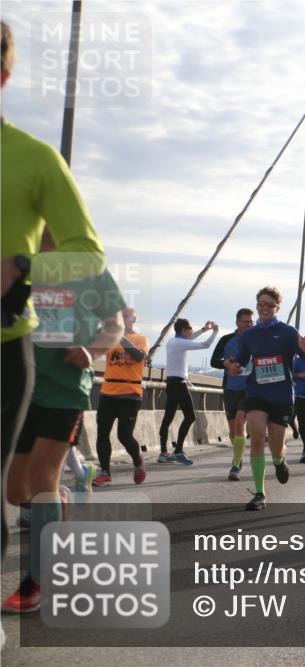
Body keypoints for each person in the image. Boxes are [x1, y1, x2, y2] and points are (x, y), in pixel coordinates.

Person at [0, 20, 108, 561]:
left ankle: (39, 571)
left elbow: (92, 258)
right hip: (32, 375)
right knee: (15, 488)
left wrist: (22, 269)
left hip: (39, 369)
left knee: (28, 481)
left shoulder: (35, 159)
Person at [3, 255, 125, 613]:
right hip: (19, 387)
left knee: (42, 476)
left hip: (65, 389)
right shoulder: (15, 260)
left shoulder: (90, 268)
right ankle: (58, 499)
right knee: (14, 491)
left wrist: (92, 351)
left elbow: (115, 324)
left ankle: (36, 581)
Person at [227, 286, 305, 511]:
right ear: (257, 306)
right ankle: (260, 493)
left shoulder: (288, 332)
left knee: (276, 447)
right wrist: (236, 366)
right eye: (261, 304)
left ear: (277, 308)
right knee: (256, 438)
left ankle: (279, 461)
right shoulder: (250, 334)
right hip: (256, 393)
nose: (264, 308)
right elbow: (242, 358)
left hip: (281, 396)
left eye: (269, 305)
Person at [94, 306, 148, 485]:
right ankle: (105, 472)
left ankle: (138, 461)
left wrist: (121, 336)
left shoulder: (140, 339)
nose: (124, 319)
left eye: (127, 316)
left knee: (124, 436)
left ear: (134, 319)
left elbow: (138, 356)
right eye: (121, 317)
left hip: (130, 394)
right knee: (102, 433)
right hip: (108, 392)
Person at [158, 318, 218, 464]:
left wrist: (204, 330)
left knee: (168, 418)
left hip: (171, 383)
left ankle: (163, 453)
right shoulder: (180, 343)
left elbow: (189, 339)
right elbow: (205, 344)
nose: (192, 331)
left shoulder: (173, 341)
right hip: (179, 384)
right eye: (190, 328)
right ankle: (178, 451)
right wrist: (215, 332)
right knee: (190, 416)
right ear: (184, 330)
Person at [210, 308, 254, 480]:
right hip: (230, 388)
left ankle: (236, 465)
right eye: (245, 321)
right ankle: (238, 456)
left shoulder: (257, 340)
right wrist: (226, 363)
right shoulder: (227, 339)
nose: (249, 324)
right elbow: (214, 361)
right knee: (233, 430)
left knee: (239, 426)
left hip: (249, 389)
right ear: (237, 322)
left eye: (251, 322)